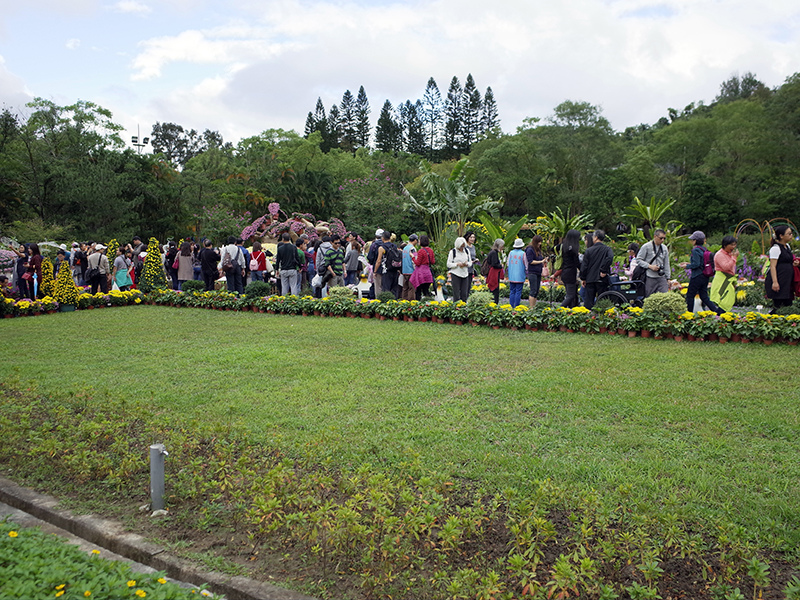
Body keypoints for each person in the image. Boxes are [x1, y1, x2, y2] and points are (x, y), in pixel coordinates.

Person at [683, 231, 722, 314]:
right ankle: (717, 312)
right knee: (704, 296)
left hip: (697, 276)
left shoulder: (695, 250)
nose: (692, 241)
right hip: (705, 275)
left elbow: (696, 264)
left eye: (693, 240)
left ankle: (689, 315)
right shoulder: (704, 249)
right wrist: (690, 264)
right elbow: (701, 263)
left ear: (696, 241)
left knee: (690, 295)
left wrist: (686, 266)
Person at [579, 229, 614, 310]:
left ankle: (588, 317)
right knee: (603, 300)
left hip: (590, 279)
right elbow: (610, 258)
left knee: (589, 301)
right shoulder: (607, 249)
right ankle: (603, 316)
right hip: (602, 279)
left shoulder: (589, 250)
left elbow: (584, 266)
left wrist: (583, 278)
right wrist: (603, 270)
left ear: (596, 237)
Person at [764, 225, 796, 313]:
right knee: (778, 305)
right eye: (789, 234)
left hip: (787, 280)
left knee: (788, 303)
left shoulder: (787, 247)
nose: (791, 236)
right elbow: (773, 266)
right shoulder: (775, 248)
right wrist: (775, 282)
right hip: (779, 279)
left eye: (791, 233)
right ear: (781, 236)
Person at [636, 228, 671, 297]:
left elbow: (666, 263)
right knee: (649, 297)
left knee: (665, 296)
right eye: (661, 238)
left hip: (661, 277)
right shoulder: (646, 246)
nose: (662, 240)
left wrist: (668, 278)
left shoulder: (664, 248)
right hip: (650, 276)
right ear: (655, 236)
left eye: (664, 238)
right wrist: (650, 266)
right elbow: (639, 260)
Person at [710, 235, 738, 313]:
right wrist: (734, 257)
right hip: (722, 280)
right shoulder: (719, 255)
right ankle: (719, 317)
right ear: (725, 245)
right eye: (732, 245)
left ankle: (722, 318)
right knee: (724, 300)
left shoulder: (729, 254)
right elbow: (726, 267)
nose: (734, 247)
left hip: (728, 279)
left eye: (735, 244)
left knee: (728, 299)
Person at [559, 229, 581, 308]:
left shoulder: (564, 246)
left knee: (573, 294)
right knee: (571, 295)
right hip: (570, 273)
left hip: (565, 272)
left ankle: (571, 309)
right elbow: (577, 263)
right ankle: (560, 309)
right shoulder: (572, 250)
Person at [447, 237, 472, 303]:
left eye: (463, 246)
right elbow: (448, 264)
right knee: (456, 293)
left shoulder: (466, 251)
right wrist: (457, 264)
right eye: (461, 246)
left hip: (465, 274)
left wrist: (466, 264)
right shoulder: (453, 252)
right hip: (456, 274)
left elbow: (470, 262)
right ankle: (456, 308)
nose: (462, 248)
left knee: (464, 293)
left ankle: (463, 308)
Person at [375, 230, 400, 298]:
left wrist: (375, 271)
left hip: (386, 271)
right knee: (394, 290)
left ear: (382, 238)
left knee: (386, 289)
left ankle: (387, 305)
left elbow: (378, 261)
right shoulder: (394, 246)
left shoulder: (382, 248)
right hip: (395, 270)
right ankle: (394, 305)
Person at [410, 235, 435, 300]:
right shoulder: (430, 250)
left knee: (418, 291)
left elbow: (417, 263)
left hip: (421, 273)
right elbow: (432, 261)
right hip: (428, 272)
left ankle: (418, 306)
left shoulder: (421, 251)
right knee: (426, 291)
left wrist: (412, 257)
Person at [506, 238, 527, 308]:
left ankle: (511, 305)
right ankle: (517, 306)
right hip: (520, 275)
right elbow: (526, 264)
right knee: (518, 291)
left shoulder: (511, 253)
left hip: (511, 275)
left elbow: (508, 263)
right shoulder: (523, 253)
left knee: (512, 291)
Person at [525, 235, 545, 307]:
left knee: (536, 290)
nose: (540, 244)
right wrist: (541, 261)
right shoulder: (530, 249)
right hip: (532, 272)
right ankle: (531, 307)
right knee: (533, 290)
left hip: (538, 272)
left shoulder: (538, 250)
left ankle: (534, 306)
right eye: (538, 242)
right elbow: (530, 261)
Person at [486, 239, 505, 304]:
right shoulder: (494, 253)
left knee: (494, 289)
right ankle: (494, 303)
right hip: (494, 273)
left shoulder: (493, 252)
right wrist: (500, 266)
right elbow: (494, 264)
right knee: (494, 289)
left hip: (493, 272)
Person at [401, 235, 418, 300]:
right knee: (411, 288)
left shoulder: (405, 248)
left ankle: (404, 303)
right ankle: (411, 304)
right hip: (411, 271)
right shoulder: (412, 248)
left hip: (404, 271)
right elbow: (414, 260)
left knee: (405, 288)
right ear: (415, 240)